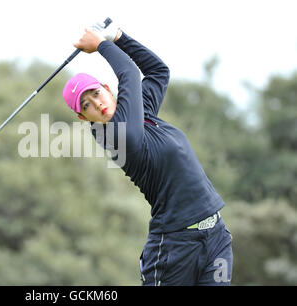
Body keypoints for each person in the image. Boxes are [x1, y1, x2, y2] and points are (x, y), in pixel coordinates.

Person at [62, 21, 233, 286]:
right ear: (83, 116)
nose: (97, 104)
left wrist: (119, 36)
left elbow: (158, 72)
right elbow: (129, 72)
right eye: (87, 104)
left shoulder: (142, 114)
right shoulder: (115, 136)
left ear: (107, 90)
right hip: (173, 248)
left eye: (96, 93)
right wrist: (102, 45)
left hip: (216, 237)